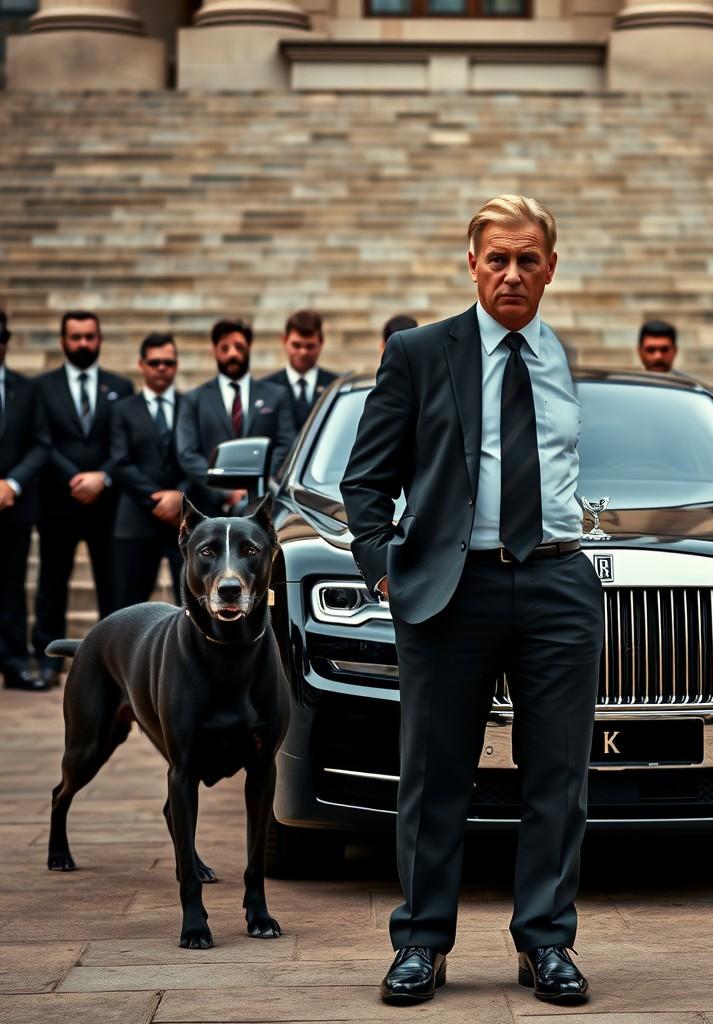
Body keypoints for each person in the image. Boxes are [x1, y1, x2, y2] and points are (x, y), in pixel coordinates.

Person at [342, 195, 602, 1007]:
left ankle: (546, 943)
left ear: (551, 268)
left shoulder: (560, 358)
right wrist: (388, 566)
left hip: (557, 579)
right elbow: (365, 481)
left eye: (529, 259)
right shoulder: (420, 353)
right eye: (498, 258)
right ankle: (421, 942)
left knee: (558, 776)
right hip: (452, 587)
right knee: (434, 772)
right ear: (472, 263)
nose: (513, 273)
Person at [33, 311, 133, 687]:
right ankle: (47, 660)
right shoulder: (42, 388)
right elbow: (42, 441)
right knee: (51, 583)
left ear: (100, 338)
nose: (83, 344)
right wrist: (74, 478)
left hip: (107, 505)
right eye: (76, 337)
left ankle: (115, 661)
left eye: (90, 336)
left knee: (112, 585)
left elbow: (125, 442)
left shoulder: (120, 386)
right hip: (58, 502)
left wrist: (102, 477)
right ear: (63, 341)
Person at [176, 318, 296, 516]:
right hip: (208, 508)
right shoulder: (194, 399)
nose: (232, 353)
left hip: (264, 505)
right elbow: (187, 454)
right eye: (225, 348)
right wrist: (224, 492)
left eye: (239, 346)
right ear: (214, 350)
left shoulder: (276, 395)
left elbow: (286, 443)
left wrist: (259, 484)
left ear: (249, 347)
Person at [109, 334, 187, 609]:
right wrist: (157, 497)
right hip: (136, 520)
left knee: (191, 605)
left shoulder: (191, 405)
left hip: (182, 520)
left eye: (168, 362)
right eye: (155, 362)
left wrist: (180, 496)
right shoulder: (123, 409)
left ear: (176, 365)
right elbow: (119, 461)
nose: (162, 368)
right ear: (142, 365)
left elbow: (198, 457)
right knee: (128, 607)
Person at [0, 312, 50, 691]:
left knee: (12, 587)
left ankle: (15, 662)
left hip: (13, 506)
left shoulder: (26, 390)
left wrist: (12, 483)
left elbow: (40, 443)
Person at [262, 309, 338, 430]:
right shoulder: (266, 388)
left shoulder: (335, 386)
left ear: (321, 343)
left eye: (310, 346)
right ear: (284, 341)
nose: (303, 352)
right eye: (296, 345)